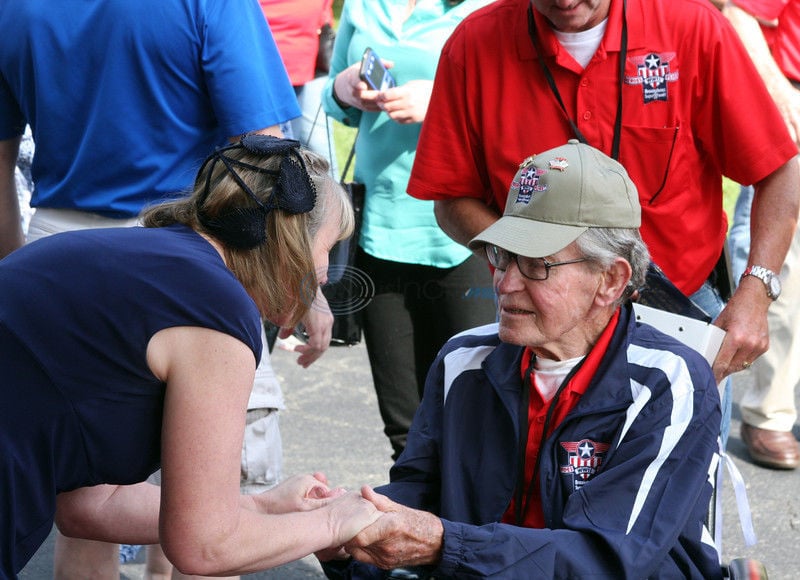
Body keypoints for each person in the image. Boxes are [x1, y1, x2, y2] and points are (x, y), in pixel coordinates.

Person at [0, 1, 329, 575]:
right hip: (204, 245)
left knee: (85, 479)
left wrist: (17, 275)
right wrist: (303, 276)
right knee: (210, 501)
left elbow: (0, 157)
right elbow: (267, 158)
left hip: (60, 240)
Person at [319, 141, 723, 579]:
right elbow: (420, 491)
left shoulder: (668, 381)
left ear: (610, 279)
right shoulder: (464, 360)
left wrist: (444, 544)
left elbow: (609, 560)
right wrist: (350, 528)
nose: (505, 282)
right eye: (502, 256)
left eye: (536, 265)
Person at [404, 0, 800, 445]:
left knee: (676, 500)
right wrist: (529, 262)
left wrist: (756, 292)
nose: (566, 1)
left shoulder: (691, 27)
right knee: (528, 500)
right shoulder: (474, 43)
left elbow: (779, 171)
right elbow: (451, 196)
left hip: (675, 317)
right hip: (542, 328)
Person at [0, 136, 382, 579]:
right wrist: (334, 521)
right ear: (292, 243)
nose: (325, 273)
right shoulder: (215, 309)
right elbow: (205, 546)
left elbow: (91, 505)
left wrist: (258, 506)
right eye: (327, 249)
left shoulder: (138, 259)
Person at [321, 0, 498, 460]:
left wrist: (442, 101)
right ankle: (413, 526)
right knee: (405, 429)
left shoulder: (496, 9)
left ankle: (467, 530)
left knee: (473, 417)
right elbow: (334, 103)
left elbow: (518, 104)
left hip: (466, 234)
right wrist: (343, 89)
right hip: (381, 226)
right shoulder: (363, 6)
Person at [721, 0, 800, 470]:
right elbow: (740, 13)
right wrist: (784, 103)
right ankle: (768, 413)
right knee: (784, 274)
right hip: (790, 92)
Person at [260, 0, 340, 177]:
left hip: (309, 61)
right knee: (270, 158)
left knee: (320, 153)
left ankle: (333, 202)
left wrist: (323, 17)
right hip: (264, 67)